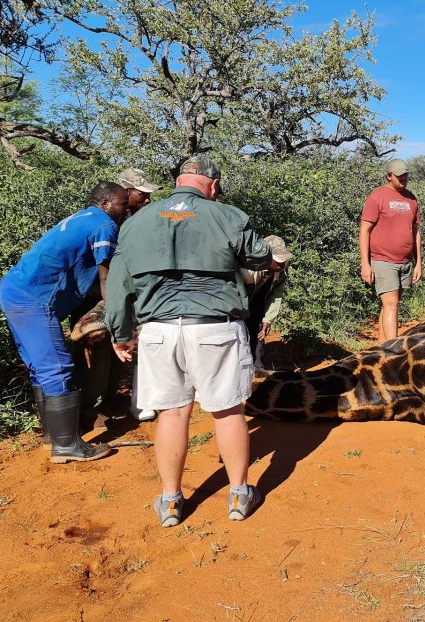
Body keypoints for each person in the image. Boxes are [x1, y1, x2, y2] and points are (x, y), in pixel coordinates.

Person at [104, 155, 272, 527]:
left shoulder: (136, 222)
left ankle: (170, 502)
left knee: (172, 413)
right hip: (214, 328)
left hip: (159, 333)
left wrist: (119, 333)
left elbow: (119, 283)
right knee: (228, 412)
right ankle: (240, 495)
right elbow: (260, 256)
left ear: (178, 180)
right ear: (212, 185)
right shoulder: (226, 214)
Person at [0, 182, 128, 463]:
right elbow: (105, 278)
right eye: (122, 204)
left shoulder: (82, 218)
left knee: (38, 365)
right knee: (57, 366)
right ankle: (67, 444)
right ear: (106, 203)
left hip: (13, 290)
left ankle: (52, 436)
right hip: (34, 298)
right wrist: (115, 316)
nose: (124, 209)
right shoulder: (104, 225)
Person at [72, 167, 164, 429]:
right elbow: (105, 273)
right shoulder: (108, 221)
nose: (147, 199)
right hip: (96, 296)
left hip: (121, 294)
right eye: (141, 194)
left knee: (120, 349)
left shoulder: (134, 219)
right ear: (125, 192)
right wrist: (113, 308)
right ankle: (88, 410)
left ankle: (109, 400)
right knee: (97, 348)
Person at [359, 158, 423, 342]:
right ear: (389, 176)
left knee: (391, 306)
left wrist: (418, 262)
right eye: (400, 175)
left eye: (406, 175)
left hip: (405, 262)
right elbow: (365, 230)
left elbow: (416, 231)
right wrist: (365, 263)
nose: (404, 178)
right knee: (391, 304)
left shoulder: (411, 198)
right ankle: (393, 354)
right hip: (382, 261)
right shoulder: (377, 197)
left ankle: (380, 347)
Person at [241, 235, 293, 370]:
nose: (281, 264)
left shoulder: (281, 269)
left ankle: (256, 365)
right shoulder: (247, 266)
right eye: (278, 260)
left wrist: (268, 319)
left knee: (258, 331)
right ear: (265, 257)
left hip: (259, 300)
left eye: (283, 260)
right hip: (240, 301)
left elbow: (277, 294)